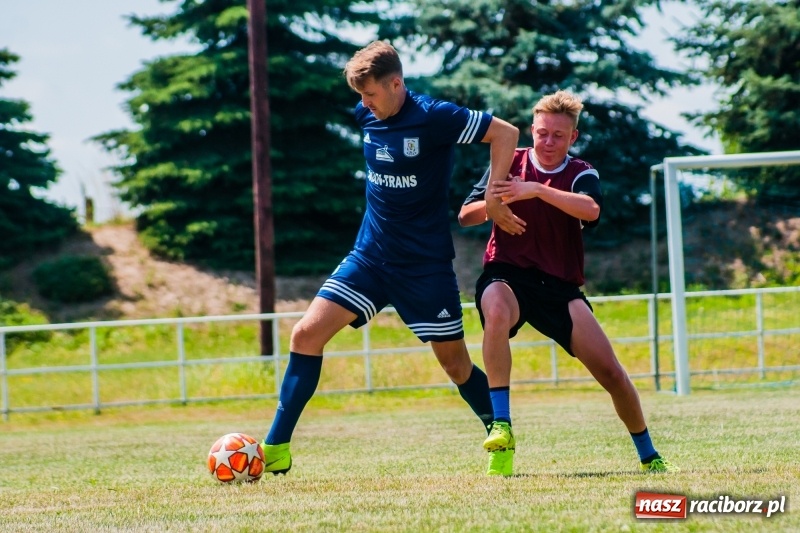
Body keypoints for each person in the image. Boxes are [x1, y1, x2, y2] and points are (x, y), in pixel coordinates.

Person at [260, 40, 519, 475]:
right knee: (305, 335)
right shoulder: (367, 114)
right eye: (360, 96)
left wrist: (493, 198)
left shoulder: (435, 116)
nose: (363, 104)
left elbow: (506, 133)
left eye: (371, 95)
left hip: (424, 265)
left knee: (455, 365)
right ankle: (276, 448)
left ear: (396, 83)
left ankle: (501, 438)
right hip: (370, 257)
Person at [458, 90, 680, 477]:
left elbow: (591, 210)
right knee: (495, 308)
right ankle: (502, 427)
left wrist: (538, 191)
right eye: (542, 133)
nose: (548, 142)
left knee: (612, 373)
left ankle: (649, 454)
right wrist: (496, 205)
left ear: (573, 138)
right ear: (532, 129)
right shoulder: (508, 161)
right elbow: (466, 216)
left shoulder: (581, 172)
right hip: (507, 273)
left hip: (559, 288)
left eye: (558, 136)